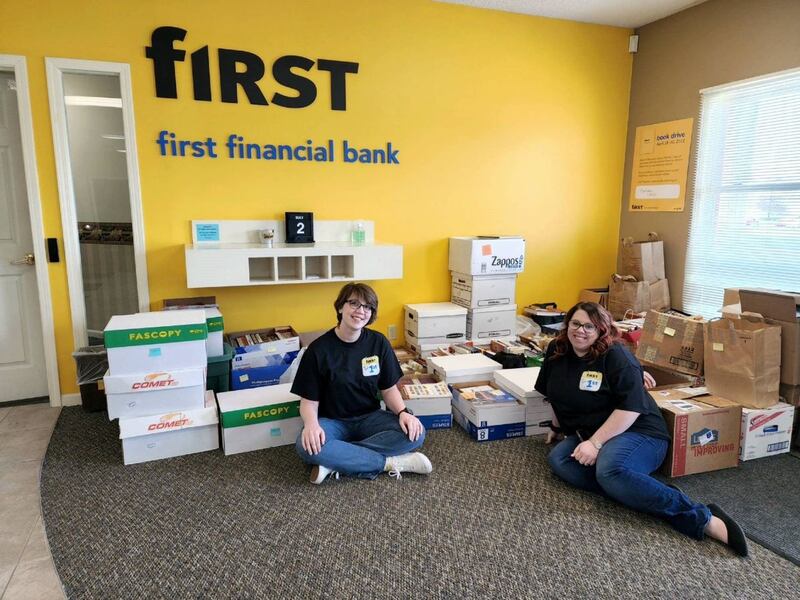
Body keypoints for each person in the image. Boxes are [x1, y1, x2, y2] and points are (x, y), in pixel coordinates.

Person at [534, 302, 748, 557]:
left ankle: (702, 517)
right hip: (595, 432)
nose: (581, 331)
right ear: (567, 325)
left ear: (602, 330)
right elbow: (554, 395)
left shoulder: (616, 357)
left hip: (640, 432)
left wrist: (595, 444)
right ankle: (642, 489)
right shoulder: (557, 351)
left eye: (589, 326)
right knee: (559, 460)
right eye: (576, 323)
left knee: (610, 470)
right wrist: (557, 428)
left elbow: (630, 409)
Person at [291, 282, 433, 484]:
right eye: (354, 304)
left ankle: (338, 460)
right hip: (333, 421)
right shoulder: (318, 350)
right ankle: (390, 463)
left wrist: (403, 412)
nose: (361, 311)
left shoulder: (378, 342)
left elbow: (388, 389)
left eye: (367, 307)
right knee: (305, 446)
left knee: (416, 433)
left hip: (370, 417)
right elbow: (309, 402)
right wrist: (311, 424)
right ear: (341, 307)